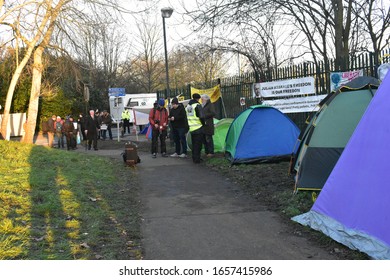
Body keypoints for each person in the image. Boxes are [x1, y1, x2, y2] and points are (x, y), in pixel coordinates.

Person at [186, 93, 205, 164]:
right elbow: (201, 116)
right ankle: (197, 159)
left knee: (194, 144)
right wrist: (204, 124)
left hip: (191, 128)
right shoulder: (197, 105)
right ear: (198, 98)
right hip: (198, 127)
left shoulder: (188, 106)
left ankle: (194, 157)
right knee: (198, 145)